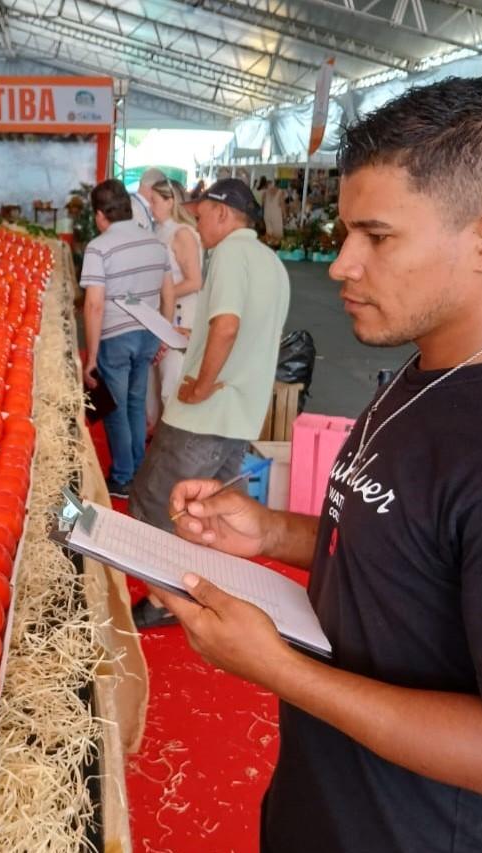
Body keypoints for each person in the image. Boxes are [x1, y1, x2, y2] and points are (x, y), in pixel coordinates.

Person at [153, 77, 482, 853]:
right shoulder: (433, 372)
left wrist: (280, 670)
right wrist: (274, 532)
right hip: (328, 811)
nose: (343, 263)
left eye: (377, 237)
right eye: (349, 231)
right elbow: (414, 542)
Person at [128, 177, 289, 625]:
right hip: (241, 414)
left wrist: (199, 384)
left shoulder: (233, 252)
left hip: (206, 413)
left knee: (155, 501)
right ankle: (201, 589)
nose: (197, 227)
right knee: (207, 511)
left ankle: (164, 600)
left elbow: (228, 327)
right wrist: (192, 340)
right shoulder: (272, 264)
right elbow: (247, 335)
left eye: (200, 217)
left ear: (223, 212)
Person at [81, 179, 174, 499]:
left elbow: (93, 304)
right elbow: (168, 293)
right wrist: (164, 334)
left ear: (99, 215)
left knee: (114, 408)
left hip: (116, 337)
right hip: (147, 333)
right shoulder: (154, 243)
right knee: (136, 402)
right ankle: (137, 469)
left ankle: (122, 477)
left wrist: (91, 358)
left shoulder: (99, 247)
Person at [146, 178, 203, 404]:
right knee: (155, 379)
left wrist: (163, 295)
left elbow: (195, 281)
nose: (151, 206)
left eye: (154, 201)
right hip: (160, 312)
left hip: (181, 314)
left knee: (171, 377)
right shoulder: (159, 230)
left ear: (170, 202)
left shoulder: (182, 234)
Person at [257, 176, 285, 244]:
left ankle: (268, 248)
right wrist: (285, 215)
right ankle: (275, 249)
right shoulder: (280, 192)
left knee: (269, 234)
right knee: (278, 236)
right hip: (276, 215)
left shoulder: (265, 193)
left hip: (267, 214)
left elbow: (263, 204)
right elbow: (282, 205)